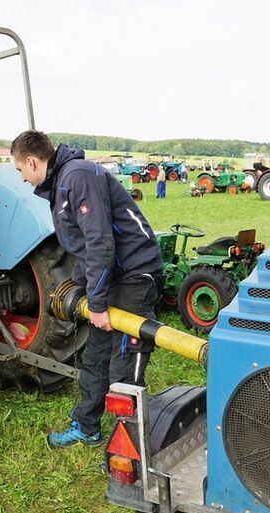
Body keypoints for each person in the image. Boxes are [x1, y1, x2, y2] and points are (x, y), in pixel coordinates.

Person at [11, 131, 164, 448]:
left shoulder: (77, 176)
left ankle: (133, 444)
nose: (22, 177)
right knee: (95, 357)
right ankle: (87, 426)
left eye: (20, 169)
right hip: (112, 277)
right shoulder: (60, 184)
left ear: (31, 161)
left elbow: (100, 243)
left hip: (135, 274)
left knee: (125, 359)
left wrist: (95, 304)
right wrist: (85, 290)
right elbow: (81, 247)